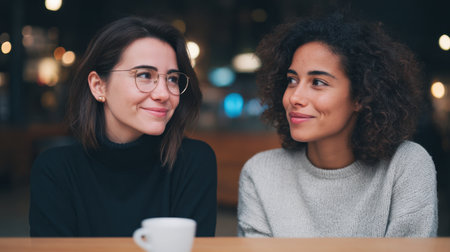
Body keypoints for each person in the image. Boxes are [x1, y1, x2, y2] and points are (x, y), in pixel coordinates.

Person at [238, 13, 438, 237]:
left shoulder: (405, 166)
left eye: (318, 82)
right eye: (292, 80)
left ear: (361, 96)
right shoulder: (261, 173)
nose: (295, 97)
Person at [29, 17, 217, 237]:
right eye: (145, 75)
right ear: (99, 86)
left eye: (173, 79)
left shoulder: (193, 161)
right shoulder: (56, 170)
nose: (164, 93)